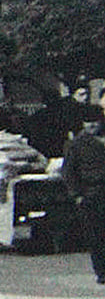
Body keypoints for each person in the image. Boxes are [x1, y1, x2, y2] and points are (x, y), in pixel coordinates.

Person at [62, 115, 105, 284]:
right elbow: (68, 172)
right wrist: (77, 195)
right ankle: (102, 272)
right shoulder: (77, 144)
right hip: (91, 193)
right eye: (88, 121)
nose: (92, 125)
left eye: (96, 121)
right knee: (96, 236)